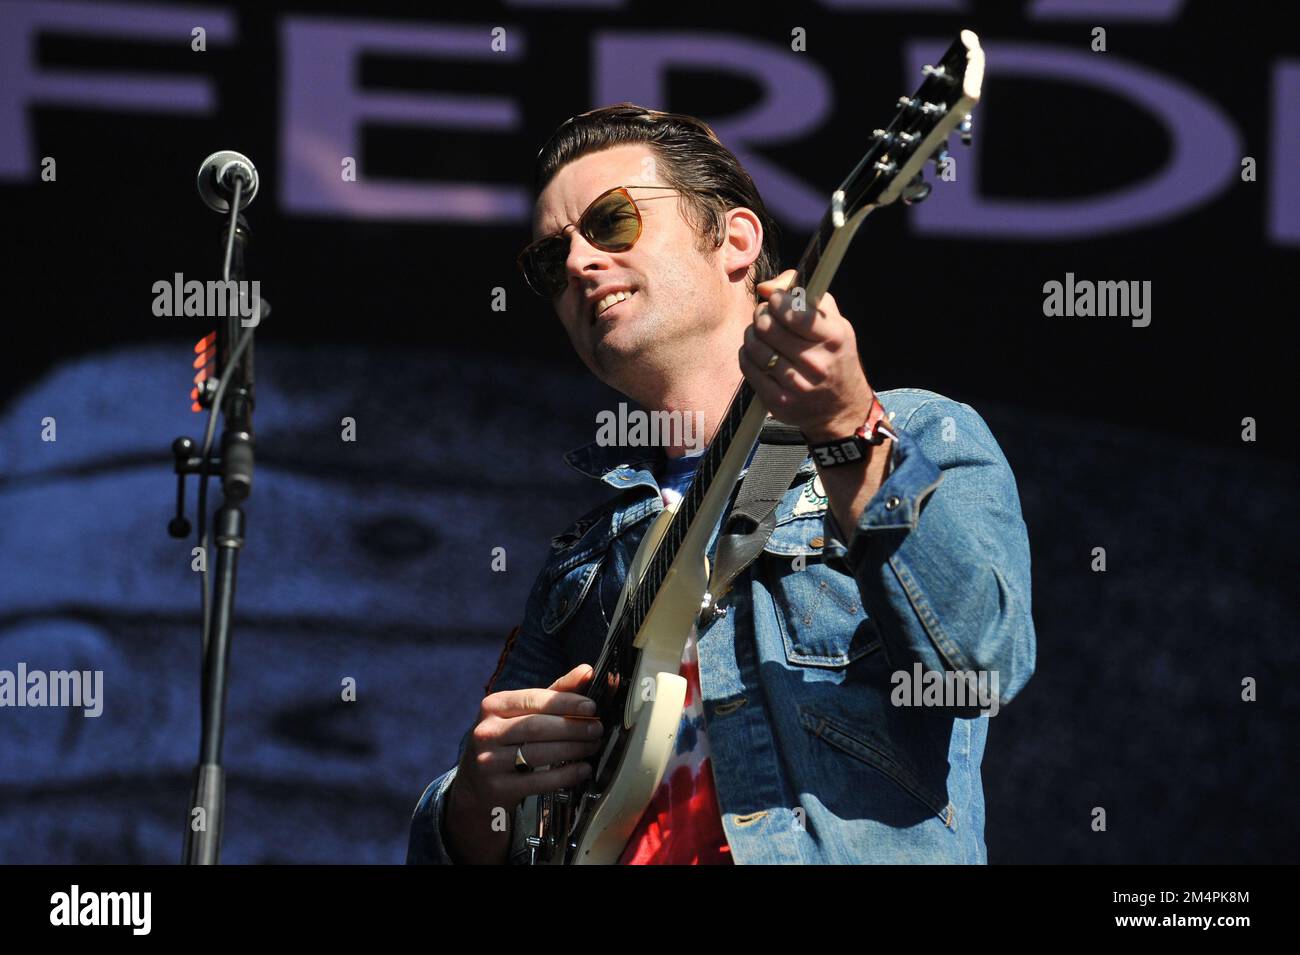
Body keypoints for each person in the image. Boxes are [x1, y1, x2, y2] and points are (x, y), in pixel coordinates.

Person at [408, 104, 1036, 865]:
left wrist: (845, 433)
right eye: (550, 260)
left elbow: (979, 667)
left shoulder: (918, 433)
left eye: (611, 221)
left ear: (735, 240)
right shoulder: (587, 554)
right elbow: (476, 830)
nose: (577, 264)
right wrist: (473, 802)